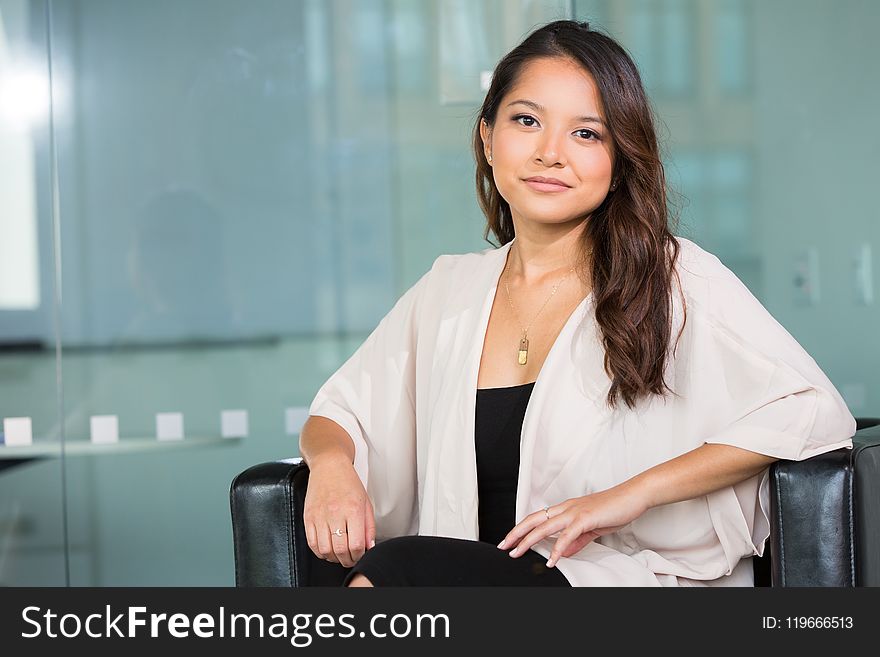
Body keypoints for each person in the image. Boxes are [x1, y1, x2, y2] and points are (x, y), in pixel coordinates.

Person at [298, 20, 855, 587]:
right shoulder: (448, 290)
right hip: (471, 581)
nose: (550, 153)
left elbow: (810, 408)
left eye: (586, 134)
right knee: (387, 567)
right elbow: (341, 412)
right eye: (527, 121)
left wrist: (628, 497)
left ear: (619, 160)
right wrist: (332, 468)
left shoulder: (671, 276)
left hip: (610, 584)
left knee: (396, 570)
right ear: (488, 137)